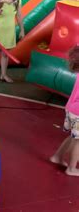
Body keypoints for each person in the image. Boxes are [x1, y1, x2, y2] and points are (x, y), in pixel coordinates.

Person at [50, 46, 79, 177]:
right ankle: (72, 168)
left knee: (73, 136)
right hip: (78, 113)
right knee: (78, 141)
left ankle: (57, 157)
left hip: (70, 109)